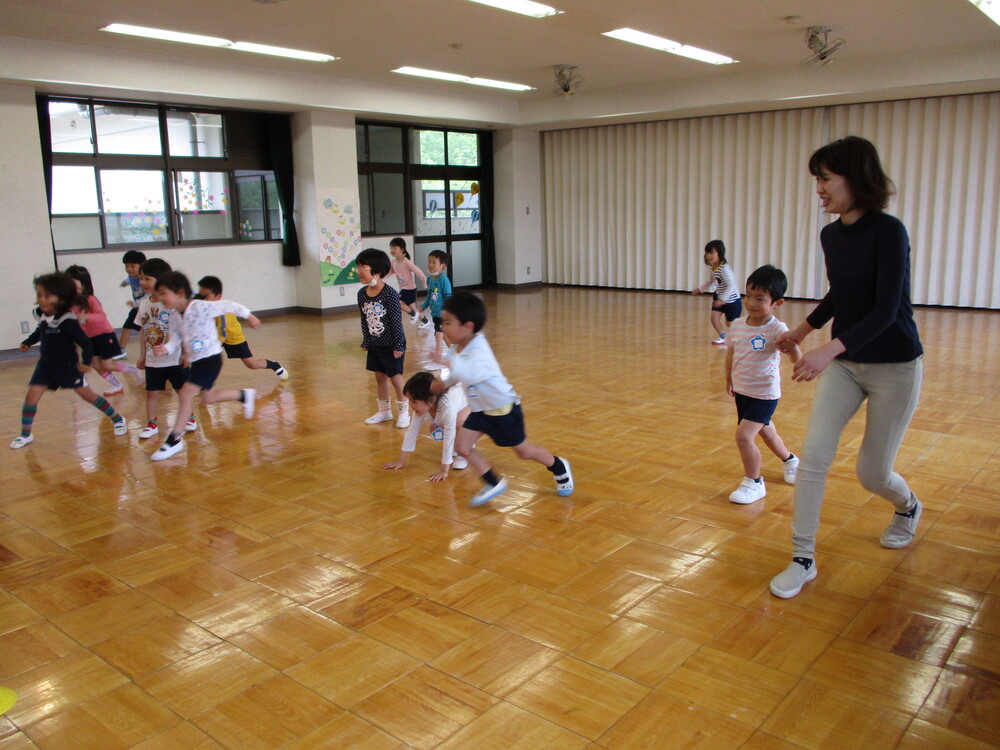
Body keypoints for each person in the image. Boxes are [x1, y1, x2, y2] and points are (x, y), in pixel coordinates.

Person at [770, 135, 924, 599]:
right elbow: (841, 294)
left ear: (856, 178)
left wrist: (827, 348)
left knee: (872, 474)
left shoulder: (889, 231)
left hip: (895, 365)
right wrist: (802, 331)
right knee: (814, 458)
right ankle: (802, 556)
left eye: (826, 178)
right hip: (846, 364)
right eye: (817, 179)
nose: (819, 188)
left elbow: (884, 308)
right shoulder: (831, 234)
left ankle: (908, 505)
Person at [433, 290, 573, 507]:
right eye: (443, 322)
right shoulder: (455, 349)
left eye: (448, 322)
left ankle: (559, 466)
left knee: (524, 452)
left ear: (467, 326)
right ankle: (493, 482)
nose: (443, 327)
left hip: (503, 410)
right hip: (480, 410)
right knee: (462, 447)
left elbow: (473, 373)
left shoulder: (480, 349)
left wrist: (448, 365)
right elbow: (459, 374)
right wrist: (446, 382)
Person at [149, 271, 260, 461]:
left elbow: (228, 305)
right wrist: (165, 349)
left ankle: (174, 439)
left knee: (185, 393)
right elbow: (175, 338)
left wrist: (248, 316)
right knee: (208, 398)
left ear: (180, 292)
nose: (160, 298)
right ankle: (244, 395)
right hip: (197, 361)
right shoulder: (174, 315)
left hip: (211, 359)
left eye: (163, 293)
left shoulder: (199, 307)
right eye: (158, 294)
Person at [10, 272, 127, 449]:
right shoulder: (44, 317)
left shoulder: (68, 320)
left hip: (68, 366)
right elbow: (39, 333)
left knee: (87, 396)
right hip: (46, 366)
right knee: (31, 395)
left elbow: (85, 342)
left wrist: (87, 362)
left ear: (62, 298)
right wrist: (27, 342)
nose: (42, 299)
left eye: (47, 296)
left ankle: (118, 419)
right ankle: (26, 434)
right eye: (39, 295)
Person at [725, 265, 802, 504]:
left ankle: (754, 482)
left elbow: (796, 357)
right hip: (742, 391)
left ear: (777, 303)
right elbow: (731, 353)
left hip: (764, 393)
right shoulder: (737, 325)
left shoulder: (777, 329)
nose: (752, 302)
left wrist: (794, 349)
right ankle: (790, 460)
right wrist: (729, 379)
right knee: (766, 432)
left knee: (744, 437)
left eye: (760, 298)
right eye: (748, 295)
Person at [134, 258, 196, 440]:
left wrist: (186, 353)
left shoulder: (171, 304)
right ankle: (151, 424)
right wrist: (142, 355)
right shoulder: (144, 304)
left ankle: (190, 418)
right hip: (153, 360)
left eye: (147, 279)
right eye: (141, 278)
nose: (142, 283)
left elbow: (183, 331)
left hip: (174, 359)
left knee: (182, 390)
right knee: (151, 392)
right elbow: (143, 330)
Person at [65, 265, 139, 396]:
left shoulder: (91, 299)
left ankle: (131, 369)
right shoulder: (70, 304)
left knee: (107, 365)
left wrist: (87, 316)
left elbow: (101, 316)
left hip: (104, 335)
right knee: (97, 366)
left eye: (74, 283)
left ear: (83, 284)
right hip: (90, 339)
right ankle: (117, 385)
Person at [382, 371, 470, 481]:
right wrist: (401, 461)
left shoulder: (448, 407)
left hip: (472, 403)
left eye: (414, 401)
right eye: (409, 400)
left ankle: (465, 452)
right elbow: (412, 431)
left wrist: (444, 471)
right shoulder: (424, 405)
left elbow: (449, 436)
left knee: (458, 422)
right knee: (436, 426)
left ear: (431, 399)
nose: (411, 406)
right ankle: (458, 448)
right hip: (450, 410)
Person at [356, 248, 410, 429]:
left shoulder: (390, 294)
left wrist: (398, 345)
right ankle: (384, 411)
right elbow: (364, 319)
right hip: (375, 343)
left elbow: (396, 322)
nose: (359, 272)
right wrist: (366, 340)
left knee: (395, 377)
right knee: (379, 377)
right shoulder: (362, 294)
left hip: (393, 344)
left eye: (363, 268)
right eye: (358, 268)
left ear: (377, 272)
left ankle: (404, 412)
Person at [196, 276, 288, 381]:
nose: (201, 299)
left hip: (232, 336)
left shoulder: (222, 311)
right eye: (200, 295)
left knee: (252, 364)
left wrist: (250, 318)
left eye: (205, 296)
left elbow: (223, 332)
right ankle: (199, 383)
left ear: (218, 297)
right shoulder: (202, 304)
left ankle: (274, 365)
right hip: (216, 335)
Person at [691, 239, 742, 345]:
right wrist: (700, 289)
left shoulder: (724, 269)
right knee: (714, 318)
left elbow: (731, 284)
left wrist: (723, 299)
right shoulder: (713, 267)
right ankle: (724, 337)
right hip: (719, 298)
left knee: (730, 323)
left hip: (732, 300)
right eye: (707, 253)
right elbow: (711, 280)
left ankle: (740, 339)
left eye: (712, 253)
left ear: (720, 253)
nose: (709, 256)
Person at [421, 250, 453, 371]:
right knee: (444, 337)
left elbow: (448, 298)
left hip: (443, 315)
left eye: (434, 262)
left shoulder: (444, 281)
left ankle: (437, 360)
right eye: (429, 262)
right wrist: (423, 306)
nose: (430, 264)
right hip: (435, 314)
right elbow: (429, 297)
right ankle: (457, 356)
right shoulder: (430, 280)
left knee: (438, 336)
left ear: (442, 266)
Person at [389, 238, 430, 328]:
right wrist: (379, 278)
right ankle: (426, 321)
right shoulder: (393, 262)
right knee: (413, 308)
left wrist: (424, 282)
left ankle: (414, 314)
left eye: (394, 248)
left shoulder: (406, 262)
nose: (392, 250)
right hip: (404, 288)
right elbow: (390, 272)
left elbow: (418, 272)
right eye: (391, 248)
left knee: (397, 303)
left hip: (409, 288)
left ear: (402, 249)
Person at [118, 249, 147, 353]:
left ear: (141, 266)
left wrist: (134, 304)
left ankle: (150, 347)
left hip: (145, 309)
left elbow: (147, 298)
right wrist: (124, 284)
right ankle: (120, 349)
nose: (129, 269)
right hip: (136, 309)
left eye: (132, 266)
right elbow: (127, 280)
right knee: (126, 327)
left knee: (144, 331)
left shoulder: (144, 280)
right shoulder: (131, 277)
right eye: (127, 266)